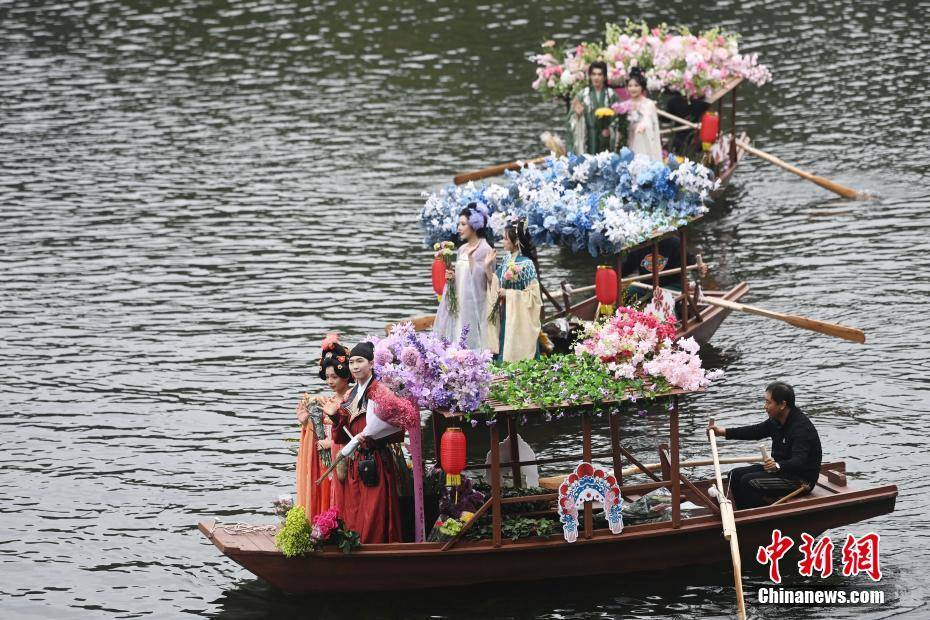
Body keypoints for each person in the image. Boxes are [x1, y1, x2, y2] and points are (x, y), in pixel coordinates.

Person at [324, 342, 407, 544]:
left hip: (375, 460)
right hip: (355, 461)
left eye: (360, 361)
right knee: (355, 509)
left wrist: (366, 437)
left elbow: (396, 428)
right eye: (351, 362)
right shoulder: (351, 395)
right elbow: (340, 436)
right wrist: (335, 418)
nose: (355, 366)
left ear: (371, 364)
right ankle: (354, 546)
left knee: (374, 512)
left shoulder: (379, 391)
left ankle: (374, 550)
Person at [709, 382, 823, 510]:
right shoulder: (776, 421)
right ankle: (744, 513)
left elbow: (799, 461)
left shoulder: (801, 428)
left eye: (768, 402)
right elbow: (755, 431)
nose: (765, 406)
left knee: (748, 481)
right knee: (734, 475)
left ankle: (756, 516)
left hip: (801, 480)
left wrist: (777, 465)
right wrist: (722, 432)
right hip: (780, 471)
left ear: (782, 405)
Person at [294, 334, 352, 519]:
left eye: (334, 376)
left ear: (345, 374)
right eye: (327, 377)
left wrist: (333, 443)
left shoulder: (352, 398)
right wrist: (306, 422)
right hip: (326, 459)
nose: (330, 382)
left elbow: (355, 431)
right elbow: (320, 433)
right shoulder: (326, 400)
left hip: (345, 459)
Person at [433, 203, 495, 350]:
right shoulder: (461, 249)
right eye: (458, 224)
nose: (459, 228)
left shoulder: (485, 249)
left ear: (474, 224)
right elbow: (462, 278)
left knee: (471, 341)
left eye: (463, 224)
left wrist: (472, 260)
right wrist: (452, 277)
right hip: (459, 302)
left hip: (475, 306)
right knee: (456, 336)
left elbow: (488, 282)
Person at [485, 219, 542, 361]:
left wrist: (509, 294)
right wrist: (487, 267)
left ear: (515, 241)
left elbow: (534, 297)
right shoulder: (506, 260)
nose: (502, 242)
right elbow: (495, 283)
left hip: (520, 318)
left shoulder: (527, 264)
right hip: (507, 313)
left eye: (505, 238)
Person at [566, 60, 618, 155]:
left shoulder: (611, 95)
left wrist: (610, 129)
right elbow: (570, 120)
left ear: (604, 77)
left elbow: (619, 117)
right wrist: (577, 115)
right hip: (588, 137)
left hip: (606, 138)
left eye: (599, 74)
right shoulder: (582, 95)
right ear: (589, 76)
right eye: (593, 74)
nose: (596, 77)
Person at [625, 68, 663, 161]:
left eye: (636, 85)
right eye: (630, 86)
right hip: (629, 141)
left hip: (644, 142)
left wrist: (643, 125)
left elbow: (652, 124)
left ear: (642, 87)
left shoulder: (649, 104)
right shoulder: (625, 105)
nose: (632, 88)